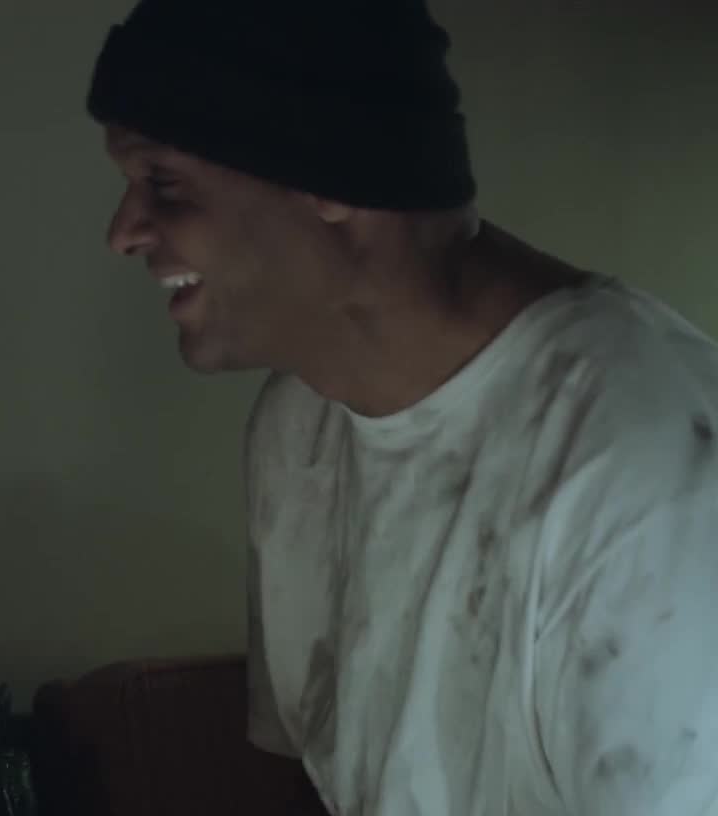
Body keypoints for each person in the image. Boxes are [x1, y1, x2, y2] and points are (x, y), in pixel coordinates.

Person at [86, 1, 718, 814]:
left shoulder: (653, 474)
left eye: (164, 184)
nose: (123, 232)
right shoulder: (299, 430)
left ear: (328, 176)